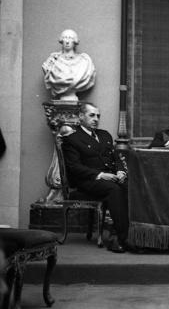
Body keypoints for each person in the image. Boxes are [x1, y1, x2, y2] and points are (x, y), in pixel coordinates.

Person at [62, 103, 130, 253]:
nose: (96, 119)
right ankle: (122, 238)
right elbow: (74, 167)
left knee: (130, 186)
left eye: (98, 116)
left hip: (109, 178)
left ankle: (128, 234)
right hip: (88, 181)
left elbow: (115, 158)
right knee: (114, 190)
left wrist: (120, 171)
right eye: (92, 115)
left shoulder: (105, 135)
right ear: (81, 116)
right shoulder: (72, 139)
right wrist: (100, 175)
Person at [42, 29, 96, 101]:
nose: (67, 42)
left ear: (75, 41)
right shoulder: (52, 61)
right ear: (61, 41)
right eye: (65, 38)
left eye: (70, 38)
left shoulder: (84, 61)